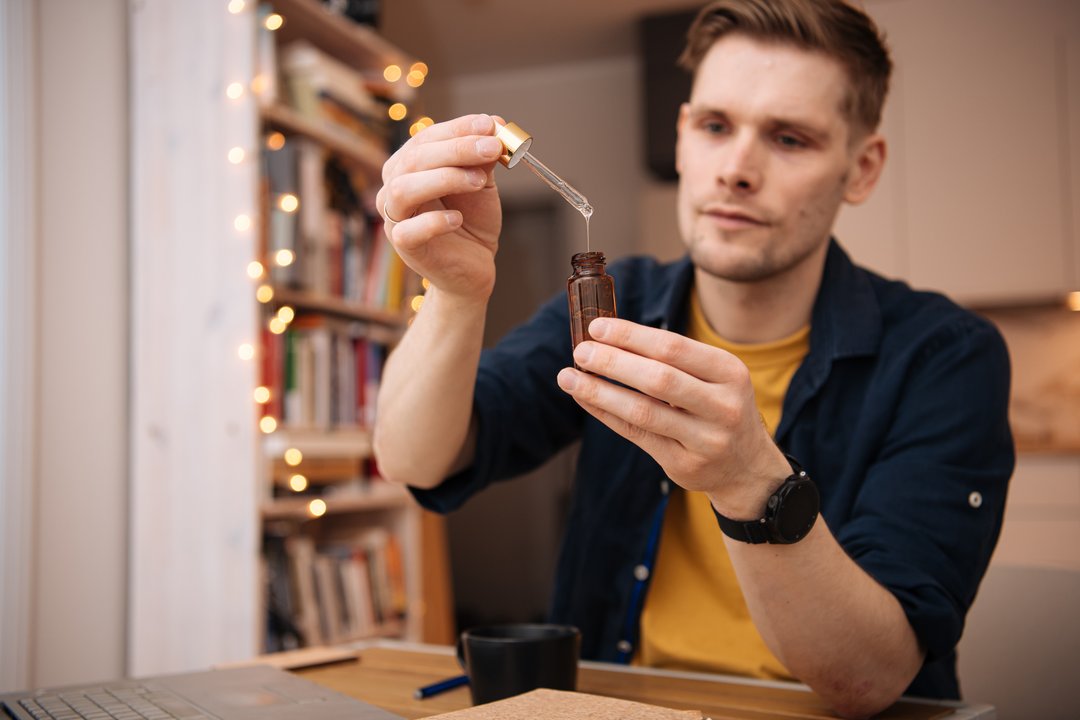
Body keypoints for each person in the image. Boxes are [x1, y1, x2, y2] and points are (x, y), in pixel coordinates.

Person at [372, 0, 1014, 717]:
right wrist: (455, 295)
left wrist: (749, 480)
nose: (736, 169)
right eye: (714, 126)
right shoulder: (619, 303)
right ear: (681, 139)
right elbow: (414, 459)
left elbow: (869, 679)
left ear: (861, 169)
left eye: (790, 138)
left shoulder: (944, 357)